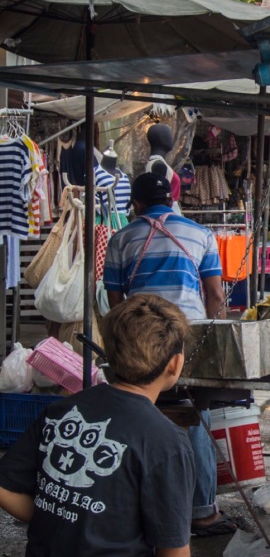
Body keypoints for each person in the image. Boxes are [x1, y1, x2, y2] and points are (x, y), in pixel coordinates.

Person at [0, 294, 194, 557]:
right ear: (174, 365)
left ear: (108, 355)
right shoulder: (168, 443)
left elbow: (4, 487)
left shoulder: (61, 411)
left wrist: (59, 518)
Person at [103, 174, 236, 538]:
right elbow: (215, 295)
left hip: (138, 339)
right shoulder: (201, 234)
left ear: (137, 205)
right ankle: (203, 511)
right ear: (173, 201)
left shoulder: (121, 238)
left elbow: (116, 304)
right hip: (185, 338)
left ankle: (131, 509)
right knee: (196, 414)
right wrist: (212, 337)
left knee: (136, 415)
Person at [146, 123, 182, 215]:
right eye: (169, 135)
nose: (172, 139)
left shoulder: (156, 162)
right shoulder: (159, 165)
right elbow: (158, 197)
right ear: (162, 138)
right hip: (167, 213)